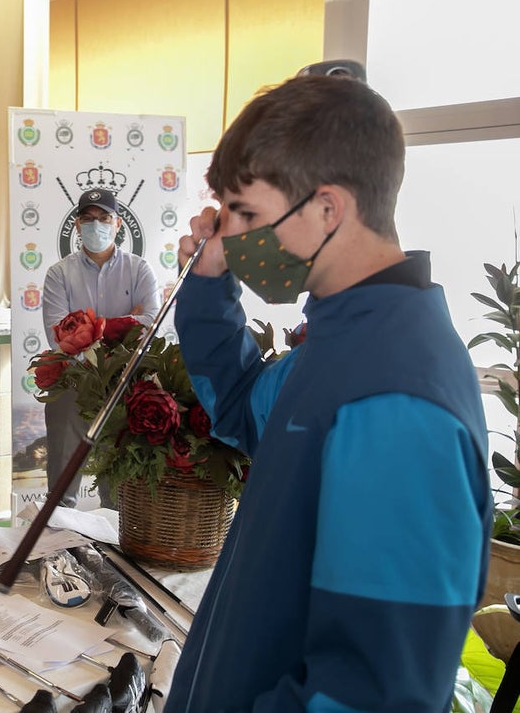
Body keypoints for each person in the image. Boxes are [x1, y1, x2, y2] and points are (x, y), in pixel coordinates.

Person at [166, 74, 490, 711]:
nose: (228, 237)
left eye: (248, 215)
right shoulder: (344, 343)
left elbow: (372, 693)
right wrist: (206, 287)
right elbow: (241, 406)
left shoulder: (397, 403)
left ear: (328, 209)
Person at [41, 188, 160, 507]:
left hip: (126, 387)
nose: (96, 225)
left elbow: (150, 324)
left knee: (119, 492)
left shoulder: (139, 270)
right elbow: (60, 338)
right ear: (77, 226)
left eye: (104, 218)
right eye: (88, 219)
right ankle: (59, 554)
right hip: (74, 385)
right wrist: (124, 322)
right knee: (61, 491)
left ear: (118, 224)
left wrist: (90, 328)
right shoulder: (58, 274)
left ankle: (116, 554)